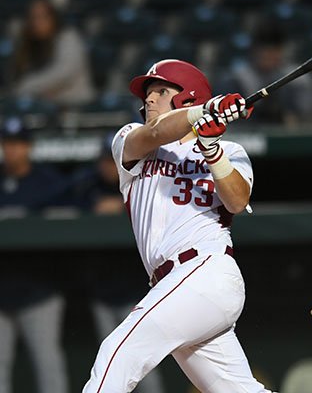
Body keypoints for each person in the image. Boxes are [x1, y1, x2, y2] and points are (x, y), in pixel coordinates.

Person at [82, 59, 273, 393]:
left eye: (160, 90)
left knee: (118, 351)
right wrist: (206, 111)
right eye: (147, 93)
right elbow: (156, 132)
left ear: (188, 97)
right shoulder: (132, 141)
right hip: (173, 287)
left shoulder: (230, 149)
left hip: (206, 270)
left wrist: (212, 151)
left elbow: (237, 201)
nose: (149, 99)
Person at [70, 133, 166, 393]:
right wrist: (91, 208)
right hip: (101, 292)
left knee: (143, 363)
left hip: (138, 293)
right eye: (104, 160)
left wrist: (123, 206)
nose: (108, 166)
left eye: (112, 160)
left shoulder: (144, 181)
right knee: (110, 363)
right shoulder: (87, 187)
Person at [0, 115, 69, 393]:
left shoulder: (49, 182)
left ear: (29, 147)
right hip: (1, 292)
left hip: (40, 291)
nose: (13, 150)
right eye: (8, 144)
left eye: (19, 144)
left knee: (47, 363)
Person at [219, 20, 312, 127]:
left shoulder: (297, 79)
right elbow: (225, 119)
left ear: (281, 51)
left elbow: (308, 117)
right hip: (248, 132)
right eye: (264, 52)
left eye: (274, 52)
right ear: (255, 51)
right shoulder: (236, 78)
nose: (269, 57)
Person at [7, 0, 95, 107]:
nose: (37, 22)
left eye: (43, 17)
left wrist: (27, 86)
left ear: (54, 17)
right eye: (33, 18)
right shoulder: (27, 44)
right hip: (40, 109)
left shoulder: (68, 36)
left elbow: (64, 73)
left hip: (76, 107)